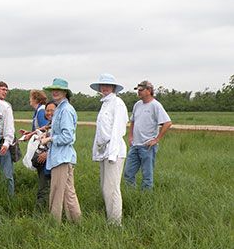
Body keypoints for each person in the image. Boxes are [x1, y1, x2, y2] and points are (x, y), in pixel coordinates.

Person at [41, 78, 82, 223]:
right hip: (63, 157)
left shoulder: (65, 110)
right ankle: (77, 223)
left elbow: (68, 136)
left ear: (65, 92)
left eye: (58, 89)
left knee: (56, 193)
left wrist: (50, 139)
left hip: (61, 158)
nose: (55, 92)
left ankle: (54, 224)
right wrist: (49, 134)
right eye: (53, 89)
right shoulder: (60, 108)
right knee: (68, 193)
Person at [90, 74, 129, 225]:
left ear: (113, 87)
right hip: (104, 150)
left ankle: (115, 223)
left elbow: (117, 131)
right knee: (105, 188)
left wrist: (112, 154)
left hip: (115, 151)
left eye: (108, 85)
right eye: (102, 85)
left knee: (112, 188)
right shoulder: (104, 104)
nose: (104, 88)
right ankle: (110, 218)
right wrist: (97, 152)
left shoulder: (117, 103)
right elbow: (100, 131)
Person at [123, 80, 172, 190]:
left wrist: (156, 139)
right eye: (138, 90)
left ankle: (145, 198)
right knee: (128, 173)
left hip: (147, 146)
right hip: (135, 145)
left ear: (149, 91)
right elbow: (133, 121)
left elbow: (167, 123)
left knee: (147, 176)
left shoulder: (156, 105)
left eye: (141, 90)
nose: (138, 92)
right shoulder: (137, 105)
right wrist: (130, 137)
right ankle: (131, 195)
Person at [32, 100, 56, 210]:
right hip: (45, 161)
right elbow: (43, 130)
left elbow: (64, 142)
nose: (49, 113)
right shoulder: (50, 124)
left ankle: (41, 213)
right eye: (47, 110)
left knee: (46, 189)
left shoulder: (58, 124)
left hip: (52, 160)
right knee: (44, 187)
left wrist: (47, 154)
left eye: (52, 110)